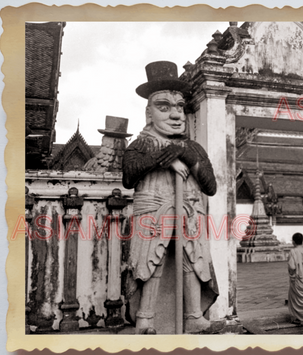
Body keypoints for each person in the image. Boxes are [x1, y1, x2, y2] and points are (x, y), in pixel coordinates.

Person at [122, 61, 218, 334]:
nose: (176, 114)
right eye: (164, 106)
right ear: (148, 112)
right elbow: (129, 176)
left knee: (191, 258)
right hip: (153, 209)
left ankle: (193, 315)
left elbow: (210, 186)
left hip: (188, 212)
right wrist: (164, 160)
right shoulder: (141, 144)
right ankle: (145, 318)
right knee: (153, 258)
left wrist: (185, 154)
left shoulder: (193, 147)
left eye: (180, 107)